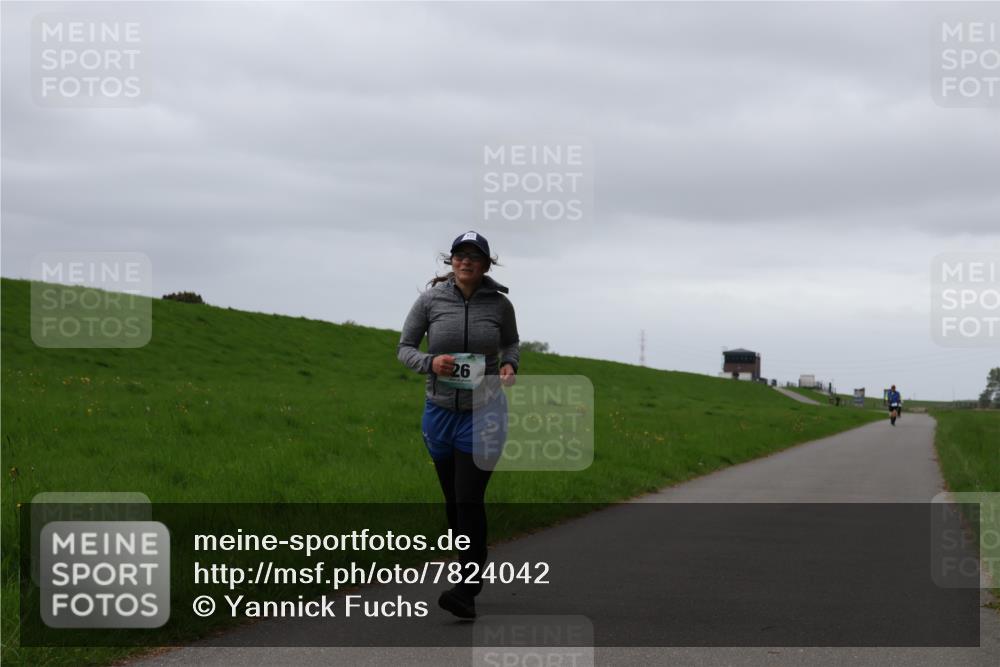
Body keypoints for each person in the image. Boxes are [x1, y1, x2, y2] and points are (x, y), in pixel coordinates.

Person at [397, 231, 519, 619]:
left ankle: (467, 587)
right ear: (450, 262)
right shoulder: (430, 301)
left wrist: (509, 364)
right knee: (453, 501)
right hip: (439, 410)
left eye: (473, 256)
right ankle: (471, 560)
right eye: (459, 256)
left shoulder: (499, 305)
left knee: (468, 497)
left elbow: (512, 343)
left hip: (484, 412)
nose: (465, 262)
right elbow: (404, 348)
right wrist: (430, 364)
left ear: (486, 264)